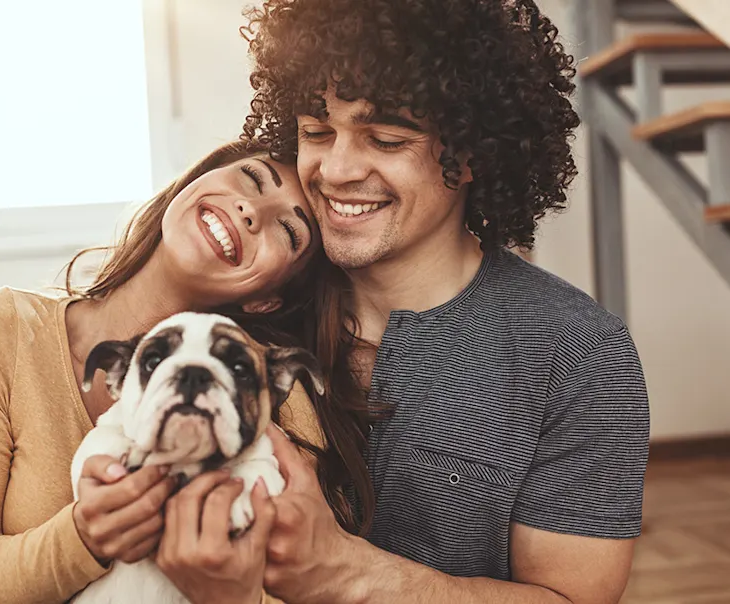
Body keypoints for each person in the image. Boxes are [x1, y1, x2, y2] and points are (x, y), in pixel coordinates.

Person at [232, 1, 648, 603]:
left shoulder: (581, 353)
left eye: (386, 138)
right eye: (317, 132)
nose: (337, 168)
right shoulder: (257, 297)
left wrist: (348, 574)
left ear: (473, 153)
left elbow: (570, 598)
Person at [0, 140, 368, 604]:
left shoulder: (278, 398)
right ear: (195, 181)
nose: (251, 211)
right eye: (250, 178)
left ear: (268, 298)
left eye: (288, 231)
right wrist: (82, 538)